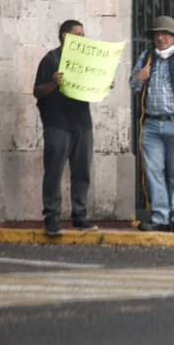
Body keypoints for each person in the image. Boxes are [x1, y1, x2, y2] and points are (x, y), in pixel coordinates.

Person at [131, 16, 174, 232]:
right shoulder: (146, 56)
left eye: (165, 33)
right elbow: (133, 86)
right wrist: (139, 77)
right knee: (154, 171)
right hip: (151, 124)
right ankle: (160, 217)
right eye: (157, 34)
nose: (161, 37)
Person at [33, 19, 97, 236]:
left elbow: (94, 84)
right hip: (57, 123)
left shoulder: (87, 60)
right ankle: (52, 217)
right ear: (64, 36)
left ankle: (80, 214)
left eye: (83, 34)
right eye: (77, 34)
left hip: (82, 124)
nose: (82, 38)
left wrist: (103, 82)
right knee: (54, 171)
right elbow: (37, 91)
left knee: (82, 171)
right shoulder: (51, 59)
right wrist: (53, 83)